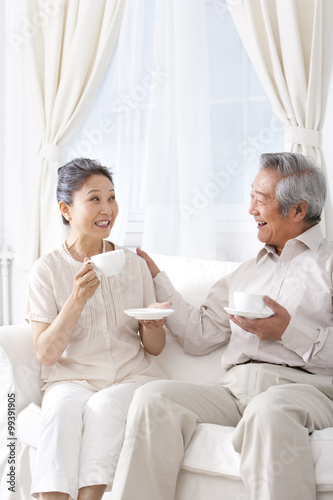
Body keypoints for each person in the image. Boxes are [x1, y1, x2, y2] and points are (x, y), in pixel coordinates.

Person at [111, 152, 333, 500]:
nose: (251, 210)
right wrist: (156, 277)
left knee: (270, 410)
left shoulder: (328, 266)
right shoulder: (246, 272)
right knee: (153, 398)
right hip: (234, 391)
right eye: (251, 197)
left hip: (306, 391)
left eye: (261, 201)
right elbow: (199, 335)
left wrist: (288, 332)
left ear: (298, 210)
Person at [25, 158, 170, 500]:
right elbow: (45, 353)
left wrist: (153, 325)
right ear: (66, 209)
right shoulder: (46, 271)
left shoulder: (133, 265)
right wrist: (76, 299)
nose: (108, 209)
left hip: (130, 377)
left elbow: (155, 348)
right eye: (94, 199)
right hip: (71, 379)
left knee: (104, 408)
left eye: (112, 197)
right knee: (59, 412)